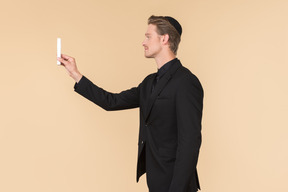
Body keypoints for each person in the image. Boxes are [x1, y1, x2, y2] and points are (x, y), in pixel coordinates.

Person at [58, 15, 204, 192]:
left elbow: (190, 142)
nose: (143, 42)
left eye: (148, 36)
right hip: (155, 179)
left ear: (164, 39)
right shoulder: (149, 83)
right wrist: (76, 74)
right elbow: (111, 101)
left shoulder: (186, 82)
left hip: (176, 183)